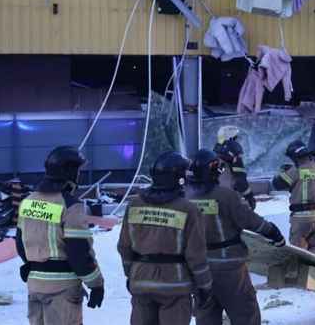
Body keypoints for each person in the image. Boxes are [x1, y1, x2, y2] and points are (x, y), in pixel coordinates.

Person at [188, 149, 286, 325]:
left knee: (206, 316)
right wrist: (273, 232)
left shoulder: (185, 199)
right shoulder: (226, 196)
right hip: (229, 268)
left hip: (199, 268)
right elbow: (250, 220)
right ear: (215, 170)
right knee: (245, 313)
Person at [118, 151, 213, 325]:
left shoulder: (134, 205)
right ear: (180, 178)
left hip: (141, 283)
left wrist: (130, 274)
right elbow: (196, 255)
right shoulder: (187, 209)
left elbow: (124, 246)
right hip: (175, 287)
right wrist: (204, 285)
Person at [16, 146, 104, 325]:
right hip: (63, 290)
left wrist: (34, 264)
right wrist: (96, 284)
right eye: (78, 171)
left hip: (35, 286)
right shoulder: (71, 206)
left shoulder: (28, 201)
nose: (79, 175)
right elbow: (79, 252)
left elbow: (20, 243)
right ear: (70, 173)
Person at [271, 140, 315, 255]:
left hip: (301, 219)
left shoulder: (297, 170)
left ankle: (299, 272)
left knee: (298, 253)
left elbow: (277, 184)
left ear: (296, 157)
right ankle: (314, 271)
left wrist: (284, 172)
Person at [214, 125, 256, 210]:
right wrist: (250, 197)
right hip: (226, 202)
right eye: (235, 138)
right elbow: (240, 182)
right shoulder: (234, 156)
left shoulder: (212, 157)